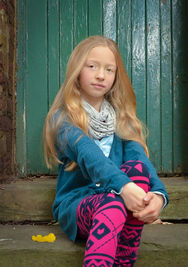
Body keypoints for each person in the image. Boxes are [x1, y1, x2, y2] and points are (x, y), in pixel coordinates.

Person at [43, 35, 169, 267]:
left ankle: (121, 260)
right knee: (113, 202)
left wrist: (159, 196)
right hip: (78, 205)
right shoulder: (63, 119)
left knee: (136, 169)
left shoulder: (121, 120)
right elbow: (88, 153)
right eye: (92, 66)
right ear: (77, 70)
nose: (101, 75)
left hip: (118, 203)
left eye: (109, 70)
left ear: (115, 77)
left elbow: (140, 161)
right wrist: (124, 186)